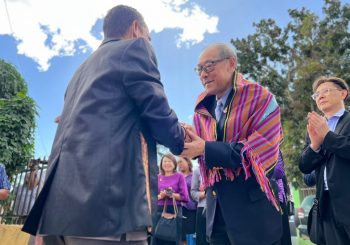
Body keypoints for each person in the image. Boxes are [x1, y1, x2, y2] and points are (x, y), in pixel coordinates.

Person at [22, 5, 187, 245]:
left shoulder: (80, 72)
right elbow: (157, 113)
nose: (149, 42)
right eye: (149, 37)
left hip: (59, 215)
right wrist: (182, 139)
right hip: (106, 213)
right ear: (135, 29)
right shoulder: (135, 48)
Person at [181, 43, 283, 245]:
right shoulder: (202, 111)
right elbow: (204, 155)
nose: (203, 74)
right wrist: (189, 143)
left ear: (231, 63)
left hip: (253, 219)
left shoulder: (261, 98)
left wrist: (205, 147)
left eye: (209, 66)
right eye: (199, 69)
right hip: (215, 216)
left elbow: (257, 152)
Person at [299, 76, 350, 245]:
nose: (320, 96)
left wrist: (327, 136)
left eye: (326, 91)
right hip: (326, 205)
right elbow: (304, 166)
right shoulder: (314, 129)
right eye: (317, 94)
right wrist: (314, 145)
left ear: (343, 93)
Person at [153, 154, 189, 245]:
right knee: (157, 238)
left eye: (169, 161)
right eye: (165, 161)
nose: (167, 163)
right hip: (159, 211)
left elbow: (185, 197)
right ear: (161, 164)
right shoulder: (157, 177)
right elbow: (152, 197)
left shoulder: (179, 176)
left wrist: (169, 194)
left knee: (173, 239)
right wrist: (160, 196)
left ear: (174, 164)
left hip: (175, 210)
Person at [272, 152, 292, 245]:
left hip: (278, 199)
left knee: (283, 239)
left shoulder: (274, 144)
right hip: (261, 202)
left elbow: (279, 171)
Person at [177, 157, 197, 245]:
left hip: (191, 209)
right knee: (180, 235)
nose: (179, 164)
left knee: (190, 234)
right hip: (178, 208)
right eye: (178, 163)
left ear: (188, 162)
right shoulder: (176, 176)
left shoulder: (193, 176)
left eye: (181, 161)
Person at [190, 168, 209, 245]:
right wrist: (207, 192)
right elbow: (193, 193)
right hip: (203, 208)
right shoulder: (198, 170)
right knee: (202, 240)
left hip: (222, 208)